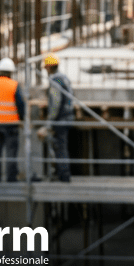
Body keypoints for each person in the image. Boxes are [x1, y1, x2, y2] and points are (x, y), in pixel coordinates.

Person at [44, 54, 73, 182]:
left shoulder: (55, 81)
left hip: (60, 119)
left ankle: (64, 175)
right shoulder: (64, 78)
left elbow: (55, 103)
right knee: (61, 146)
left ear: (49, 68)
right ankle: (62, 172)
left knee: (60, 147)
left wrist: (50, 121)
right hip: (68, 116)